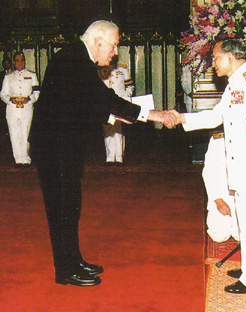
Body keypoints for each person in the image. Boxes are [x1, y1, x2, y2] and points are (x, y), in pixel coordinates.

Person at [29, 20, 169, 287]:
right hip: (54, 146)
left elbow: (85, 101)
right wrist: (147, 114)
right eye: (114, 45)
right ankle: (65, 271)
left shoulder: (77, 57)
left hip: (62, 145)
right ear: (98, 40)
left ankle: (74, 259)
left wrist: (114, 115)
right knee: (61, 209)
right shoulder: (74, 59)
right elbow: (100, 97)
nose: (115, 52)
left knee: (71, 205)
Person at [164, 39, 246, 294]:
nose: (213, 63)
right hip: (244, 170)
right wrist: (182, 117)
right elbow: (217, 115)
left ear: (231, 57)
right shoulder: (237, 86)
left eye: (216, 57)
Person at [1, 52, 39, 167]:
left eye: (21, 60)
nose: (20, 62)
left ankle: (25, 158)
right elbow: (3, 94)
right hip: (12, 110)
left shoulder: (31, 75)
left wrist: (29, 99)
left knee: (25, 134)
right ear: (14, 62)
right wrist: (10, 99)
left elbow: (37, 92)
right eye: (17, 60)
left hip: (26, 109)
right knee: (14, 134)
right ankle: (18, 160)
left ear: (24, 61)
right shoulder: (8, 77)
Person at [203, 126, 239, 243]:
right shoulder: (218, 141)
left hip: (244, 196)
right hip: (222, 194)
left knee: (241, 236)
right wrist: (218, 200)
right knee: (218, 235)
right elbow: (209, 173)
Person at [99, 56, 134, 167]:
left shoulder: (122, 69)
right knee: (108, 128)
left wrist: (127, 96)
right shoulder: (101, 70)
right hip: (106, 103)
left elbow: (130, 86)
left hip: (119, 102)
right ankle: (109, 157)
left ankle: (119, 157)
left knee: (118, 128)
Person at [0, 58, 12, 137]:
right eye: (5, 63)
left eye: (8, 63)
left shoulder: (14, 73)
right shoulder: (0, 75)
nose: (6, 65)